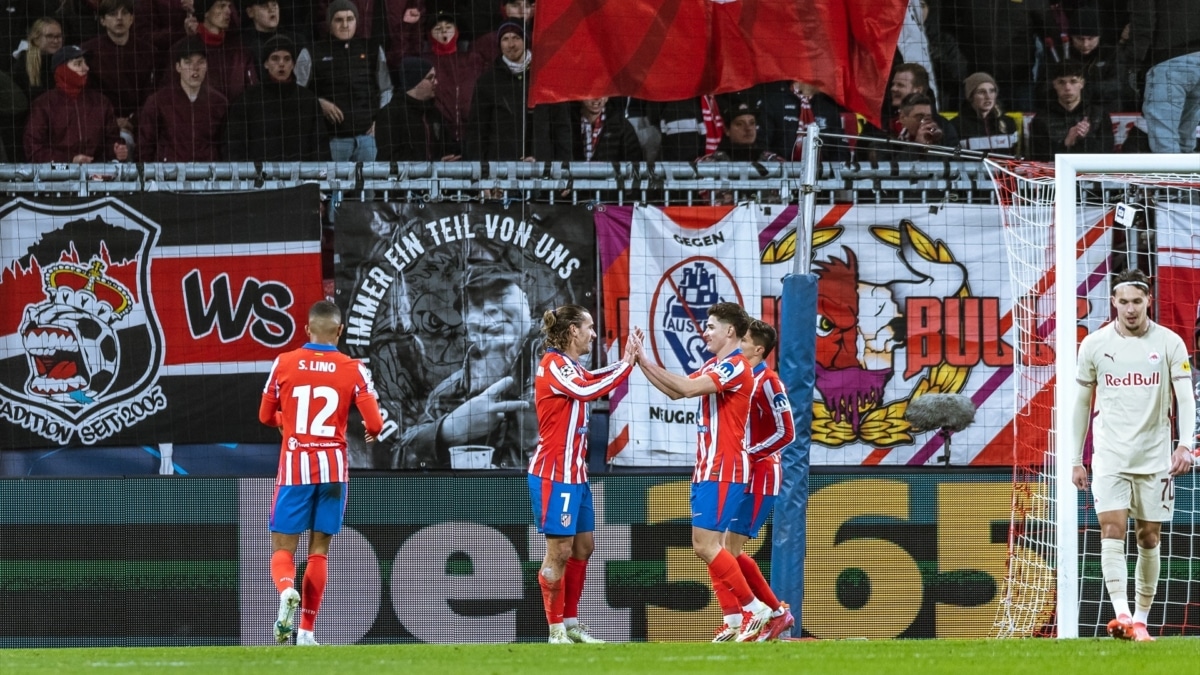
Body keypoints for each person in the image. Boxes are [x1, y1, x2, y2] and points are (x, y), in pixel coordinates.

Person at [634, 302, 773, 642]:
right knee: (707, 545)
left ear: (729, 331)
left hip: (723, 467)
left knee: (707, 545)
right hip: (709, 467)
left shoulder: (736, 367)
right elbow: (674, 390)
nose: (704, 331)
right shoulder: (716, 364)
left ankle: (754, 608)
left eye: (711, 326)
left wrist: (645, 359)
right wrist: (638, 363)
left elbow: (686, 388)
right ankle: (734, 620)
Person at [1071, 268, 1198, 642]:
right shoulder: (1094, 345)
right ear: (1113, 301)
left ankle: (1142, 620)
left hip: (1155, 457)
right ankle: (1123, 616)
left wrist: (1185, 443)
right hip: (1109, 454)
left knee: (1149, 538)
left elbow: (1185, 396)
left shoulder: (1170, 343)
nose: (1129, 309)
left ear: (1148, 301)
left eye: (1136, 302)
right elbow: (1081, 402)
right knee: (1111, 530)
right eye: (1123, 301)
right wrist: (1077, 457)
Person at [259, 299, 384, 647]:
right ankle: (307, 632)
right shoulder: (353, 368)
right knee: (319, 552)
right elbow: (374, 423)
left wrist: (290, 424)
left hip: (295, 467)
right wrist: (372, 430)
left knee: (282, 549)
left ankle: (286, 591)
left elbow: (265, 416)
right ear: (339, 330)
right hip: (333, 470)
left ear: (306, 328)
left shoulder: (284, 363)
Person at [529, 305, 639, 644]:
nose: (594, 333)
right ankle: (555, 629)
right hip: (554, 474)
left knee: (584, 547)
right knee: (559, 551)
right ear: (573, 331)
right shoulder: (552, 364)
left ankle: (572, 623)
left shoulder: (571, 366)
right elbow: (587, 390)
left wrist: (624, 363)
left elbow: (589, 380)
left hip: (577, 474)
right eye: (590, 327)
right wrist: (626, 364)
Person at [396, 263, 540, 469]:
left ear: (525, 303)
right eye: (476, 303)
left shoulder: (563, 366)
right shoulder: (447, 393)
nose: (490, 308)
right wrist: (452, 427)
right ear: (469, 328)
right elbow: (399, 457)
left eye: (500, 294)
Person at [720, 319, 796, 642]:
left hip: (762, 474)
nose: (741, 343)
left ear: (759, 349)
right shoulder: (744, 374)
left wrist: (750, 453)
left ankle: (773, 613)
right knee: (723, 548)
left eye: (746, 339)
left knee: (728, 550)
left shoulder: (770, 381)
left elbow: (787, 431)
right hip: (744, 472)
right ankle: (746, 618)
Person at [464, 20, 570, 162]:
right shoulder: (487, 82)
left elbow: (561, 127)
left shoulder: (546, 77)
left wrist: (564, 168)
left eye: (516, 38)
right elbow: (477, 131)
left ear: (525, 41)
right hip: (500, 171)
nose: (511, 45)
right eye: (505, 39)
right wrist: (480, 172)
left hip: (543, 168)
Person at [225, 34, 326, 161]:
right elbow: (235, 145)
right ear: (266, 64)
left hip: (301, 177)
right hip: (259, 177)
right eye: (275, 58)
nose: (281, 64)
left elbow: (320, 145)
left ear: (293, 64)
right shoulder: (248, 100)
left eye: (287, 59)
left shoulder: (308, 100)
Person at [24, 45, 128, 163]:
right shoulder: (43, 105)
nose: (86, 68)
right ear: (62, 70)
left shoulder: (101, 102)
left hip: (96, 175)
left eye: (85, 63)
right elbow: (33, 149)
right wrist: (69, 160)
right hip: (55, 177)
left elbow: (112, 141)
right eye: (78, 64)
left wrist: (117, 150)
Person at [137, 35, 229, 162]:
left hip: (208, 176)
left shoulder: (219, 103)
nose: (195, 68)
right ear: (178, 67)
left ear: (207, 65)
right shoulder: (158, 102)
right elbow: (145, 146)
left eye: (200, 62)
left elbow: (225, 146)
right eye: (188, 62)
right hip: (168, 176)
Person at [310, 0, 382, 162]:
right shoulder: (313, 51)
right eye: (339, 19)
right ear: (329, 23)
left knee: (370, 187)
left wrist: (381, 120)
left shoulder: (372, 49)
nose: (345, 24)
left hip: (367, 138)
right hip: (333, 139)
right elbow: (299, 91)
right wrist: (319, 103)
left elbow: (386, 89)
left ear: (357, 21)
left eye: (350, 19)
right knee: (334, 187)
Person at [82, 0, 158, 147]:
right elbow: (88, 95)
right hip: (101, 124)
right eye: (112, 14)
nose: (119, 18)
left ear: (132, 19)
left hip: (142, 122)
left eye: (124, 13)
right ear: (102, 20)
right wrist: (111, 121)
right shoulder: (88, 53)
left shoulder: (148, 51)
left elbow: (152, 93)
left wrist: (133, 120)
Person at [1129, 3, 1200, 153]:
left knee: (1165, 141)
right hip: (1196, 58)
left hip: (1170, 58)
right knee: (1185, 136)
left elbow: (1143, 20)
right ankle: (1188, 176)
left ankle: (1173, 176)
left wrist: (1136, 61)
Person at [375, 55, 459, 161]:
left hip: (436, 177)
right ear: (414, 82)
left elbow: (448, 147)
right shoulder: (390, 114)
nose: (436, 82)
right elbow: (389, 158)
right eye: (430, 78)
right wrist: (433, 165)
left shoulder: (434, 113)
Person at [1028, 62, 1114, 161]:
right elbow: (1037, 159)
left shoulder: (1099, 115)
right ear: (1054, 85)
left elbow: (1107, 156)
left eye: (1073, 81)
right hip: (1055, 175)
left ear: (1082, 83)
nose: (1067, 88)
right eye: (1061, 82)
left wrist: (1086, 138)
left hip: (1091, 175)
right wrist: (1066, 143)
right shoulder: (1041, 119)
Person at [422, 12, 484, 149]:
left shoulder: (472, 59)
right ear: (429, 35)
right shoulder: (424, 62)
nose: (444, 30)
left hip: (472, 136)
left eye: (448, 27)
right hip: (438, 138)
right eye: (437, 28)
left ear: (457, 31)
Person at [176, 0, 256, 101]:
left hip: (237, 114)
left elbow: (253, 92)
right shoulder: (182, 49)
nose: (228, 11)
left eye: (229, 6)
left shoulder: (239, 51)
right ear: (206, 12)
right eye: (221, 6)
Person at [759, 80, 849, 164]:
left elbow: (840, 149)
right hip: (781, 176)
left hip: (822, 176)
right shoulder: (774, 102)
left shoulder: (828, 107)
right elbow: (761, 145)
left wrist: (830, 173)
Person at [241, 0, 313, 86]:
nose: (271, 9)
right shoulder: (242, 44)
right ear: (250, 12)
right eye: (264, 5)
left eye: (274, 4)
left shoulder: (297, 41)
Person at [952, 72, 1018, 156]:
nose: (988, 96)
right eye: (981, 92)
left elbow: (1015, 155)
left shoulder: (1009, 123)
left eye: (992, 91)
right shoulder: (957, 125)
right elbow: (955, 157)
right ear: (971, 96)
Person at [571, 96, 642, 162]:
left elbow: (634, 160)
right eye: (592, 94)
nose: (597, 99)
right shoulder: (569, 122)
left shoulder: (621, 125)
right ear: (580, 96)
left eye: (602, 93)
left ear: (607, 97)